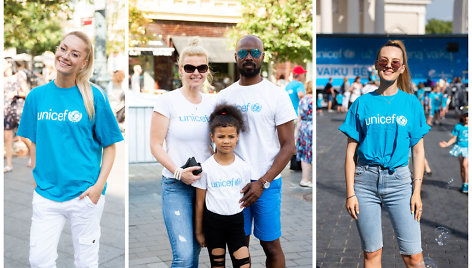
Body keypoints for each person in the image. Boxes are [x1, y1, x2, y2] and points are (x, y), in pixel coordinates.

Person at [17, 31, 123, 267]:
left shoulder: (95, 97)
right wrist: (38, 175)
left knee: (86, 262)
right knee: (38, 261)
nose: (65, 56)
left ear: (84, 62)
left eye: (74, 54)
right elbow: (32, 140)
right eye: (63, 48)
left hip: (85, 196)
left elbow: (110, 147)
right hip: (46, 195)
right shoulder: (36, 96)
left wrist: (98, 188)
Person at [339, 40, 430, 267]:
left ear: (402, 67)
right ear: (376, 65)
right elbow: (351, 154)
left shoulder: (412, 103)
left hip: (399, 183)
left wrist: (416, 191)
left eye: (395, 62)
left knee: (413, 256)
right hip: (364, 182)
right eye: (384, 61)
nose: (389, 65)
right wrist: (350, 192)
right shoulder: (361, 104)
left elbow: (418, 152)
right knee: (371, 253)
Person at [217, 35, 296, 268]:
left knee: (271, 246)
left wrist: (262, 182)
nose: (248, 57)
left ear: (262, 56)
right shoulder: (224, 97)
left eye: (254, 52)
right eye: (243, 53)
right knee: (239, 247)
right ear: (235, 57)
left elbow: (289, 146)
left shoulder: (277, 95)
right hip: (234, 185)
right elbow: (217, 141)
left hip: (267, 184)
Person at [149, 38, 215, 267]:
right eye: (190, 67)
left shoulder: (213, 103)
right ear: (181, 70)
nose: (196, 72)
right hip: (176, 186)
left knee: (195, 251)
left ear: (207, 70)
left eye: (201, 67)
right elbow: (155, 145)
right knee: (184, 255)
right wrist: (179, 173)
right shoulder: (168, 101)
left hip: (205, 187)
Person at [194, 104, 251, 268]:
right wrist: (199, 232)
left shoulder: (243, 167)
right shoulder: (205, 168)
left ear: (237, 137)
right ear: (212, 137)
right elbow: (199, 203)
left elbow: (244, 199)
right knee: (217, 265)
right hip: (213, 226)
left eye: (231, 136)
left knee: (244, 264)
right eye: (221, 137)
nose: (226, 141)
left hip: (236, 225)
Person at [4, 58, 30, 172]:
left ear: (9, 64)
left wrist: (16, 93)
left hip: (19, 110)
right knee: (7, 137)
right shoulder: (2, 79)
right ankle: (9, 165)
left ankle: (33, 155)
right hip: (6, 111)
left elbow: (28, 93)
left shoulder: (18, 76)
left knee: (24, 137)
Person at [439, 106, 468, 193]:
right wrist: (447, 144)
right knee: (462, 167)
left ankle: (467, 184)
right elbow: (454, 138)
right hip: (460, 148)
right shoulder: (458, 126)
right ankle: (464, 183)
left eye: (469, 115)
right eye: (465, 115)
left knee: (465, 164)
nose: (467, 118)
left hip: (468, 149)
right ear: (462, 116)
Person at [297, 80, 313, 187]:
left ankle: (305, 178)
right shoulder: (313, 100)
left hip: (303, 128)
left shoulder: (303, 100)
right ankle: (307, 180)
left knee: (304, 154)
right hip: (311, 128)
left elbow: (299, 117)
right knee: (310, 154)